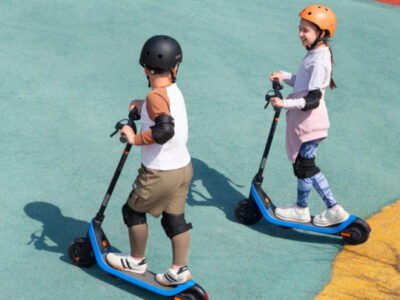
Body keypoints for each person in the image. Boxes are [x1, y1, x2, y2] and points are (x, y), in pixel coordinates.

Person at [105, 35, 193, 286]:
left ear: (145, 68)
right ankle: (179, 269)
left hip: (159, 172)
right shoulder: (172, 91)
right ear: (174, 68)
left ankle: (136, 260)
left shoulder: (156, 97)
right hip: (182, 168)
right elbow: (164, 109)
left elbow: (164, 131)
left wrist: (133, 138)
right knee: (174, 219)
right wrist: (142, 105)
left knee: (132, 211)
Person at [268, 5, 349, 227]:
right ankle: (329, 209)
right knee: (304, 166)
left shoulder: (320, 58)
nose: (300, 34)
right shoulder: (314, 53)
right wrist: (284, 76)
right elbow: (304, 83)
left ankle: (308, 209)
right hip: (305, 124)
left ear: (321, 33)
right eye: (300, 29)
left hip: (310, 124)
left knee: (306, 167)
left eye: (306, 30)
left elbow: (312, 100)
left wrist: (284, 103)